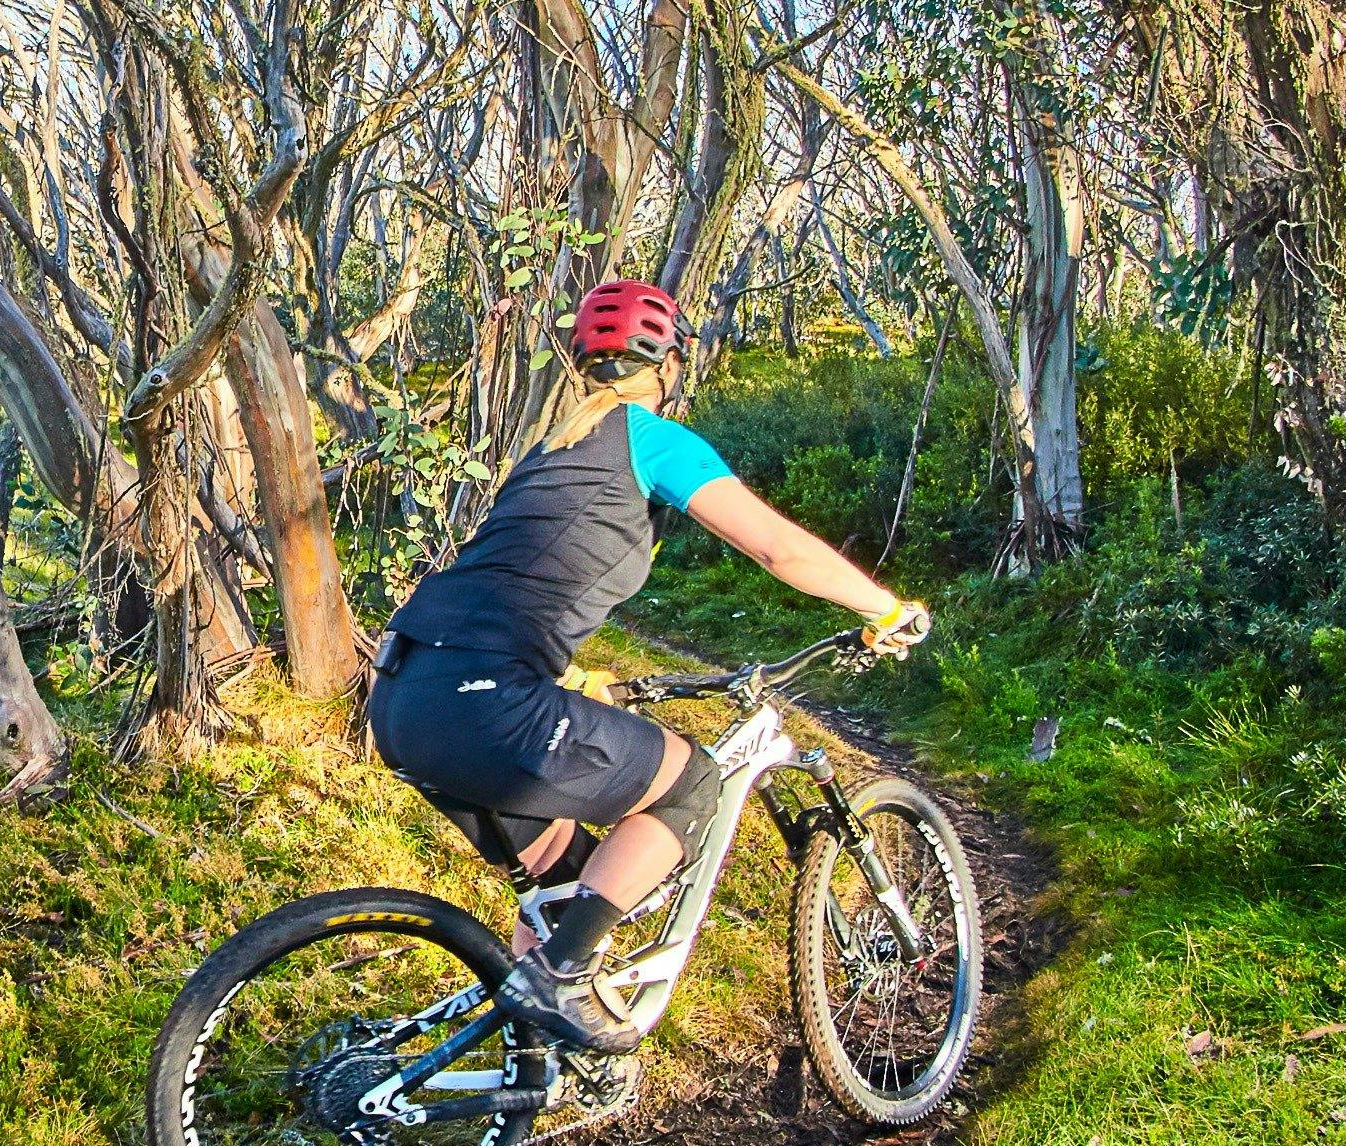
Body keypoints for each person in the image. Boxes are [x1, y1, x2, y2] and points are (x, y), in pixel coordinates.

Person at [366, 280, 929, 1054]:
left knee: (566, 885)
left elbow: (513, 582)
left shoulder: (554, 448)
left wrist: (559, 677)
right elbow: (777, 547)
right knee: (691, 781)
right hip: (481, 699)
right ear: (667, 363)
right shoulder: (648, 437)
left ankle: (521, 1078)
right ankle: (557, 978)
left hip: (404, 695)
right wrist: (883, 607)